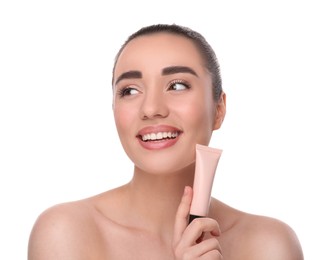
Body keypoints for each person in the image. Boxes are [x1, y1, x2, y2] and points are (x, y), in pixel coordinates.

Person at [28, 24, 304, 259]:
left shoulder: (269, 245)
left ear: (218, 109)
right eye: (130, 90)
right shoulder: (66, 232)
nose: (151, 108)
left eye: (177, 85)